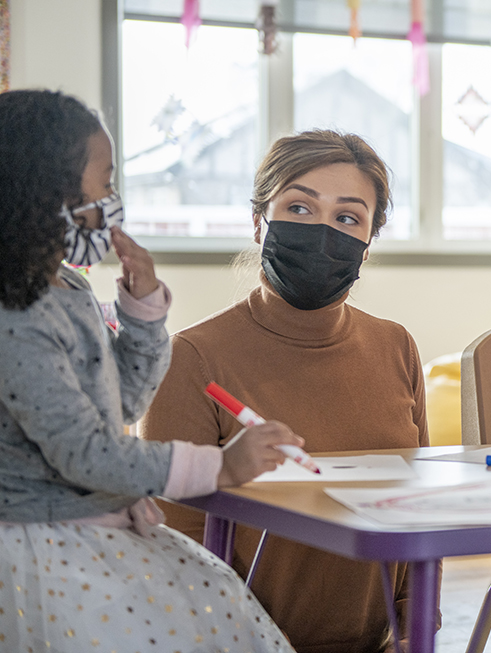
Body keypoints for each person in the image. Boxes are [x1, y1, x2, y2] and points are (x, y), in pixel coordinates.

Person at [0, 89, 301, 651]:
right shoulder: (15, 318)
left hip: (95, 527)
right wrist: (218, 466)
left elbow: (123, 406)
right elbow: (85, 452)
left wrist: (141, 313)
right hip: (46, 547)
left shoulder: (68, 288)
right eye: (106, 183)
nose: (113, 201)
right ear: (44, 194)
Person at [141, 130, 433, 653]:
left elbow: (417, 517)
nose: (322, 232)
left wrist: (414, 627)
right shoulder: (191, 359)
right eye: (299, 207)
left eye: (348, 218)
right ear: (259, 223)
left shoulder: (396, 346)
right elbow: (171, 551)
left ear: (367, 245)